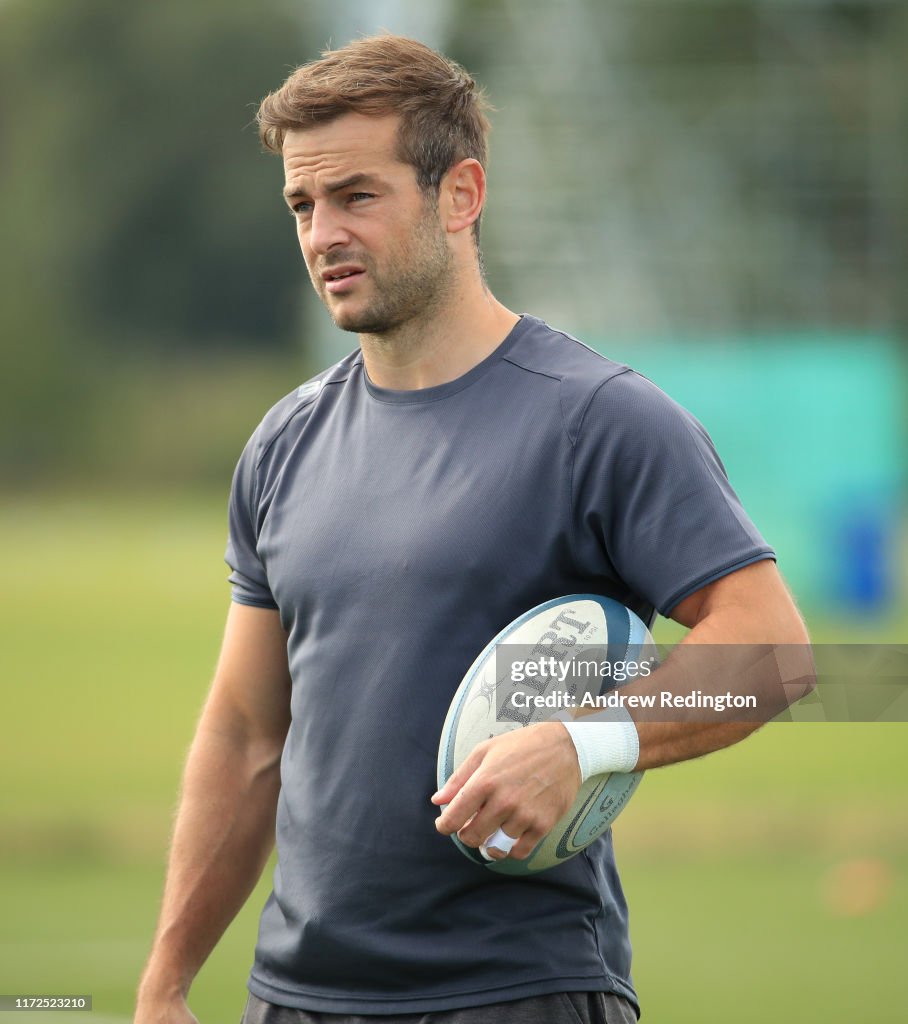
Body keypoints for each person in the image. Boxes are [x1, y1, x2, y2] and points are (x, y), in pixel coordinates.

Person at [135, 34, 810, 1024]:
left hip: (517, 994)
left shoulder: (600, 420)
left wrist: (585, 741)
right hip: (295, 1000)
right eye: (302, 205)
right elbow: (245, 737)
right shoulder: (283, 443)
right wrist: (164, 982)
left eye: (356, 195)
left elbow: (772, 652)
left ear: (459, 195)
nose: (322, 232)